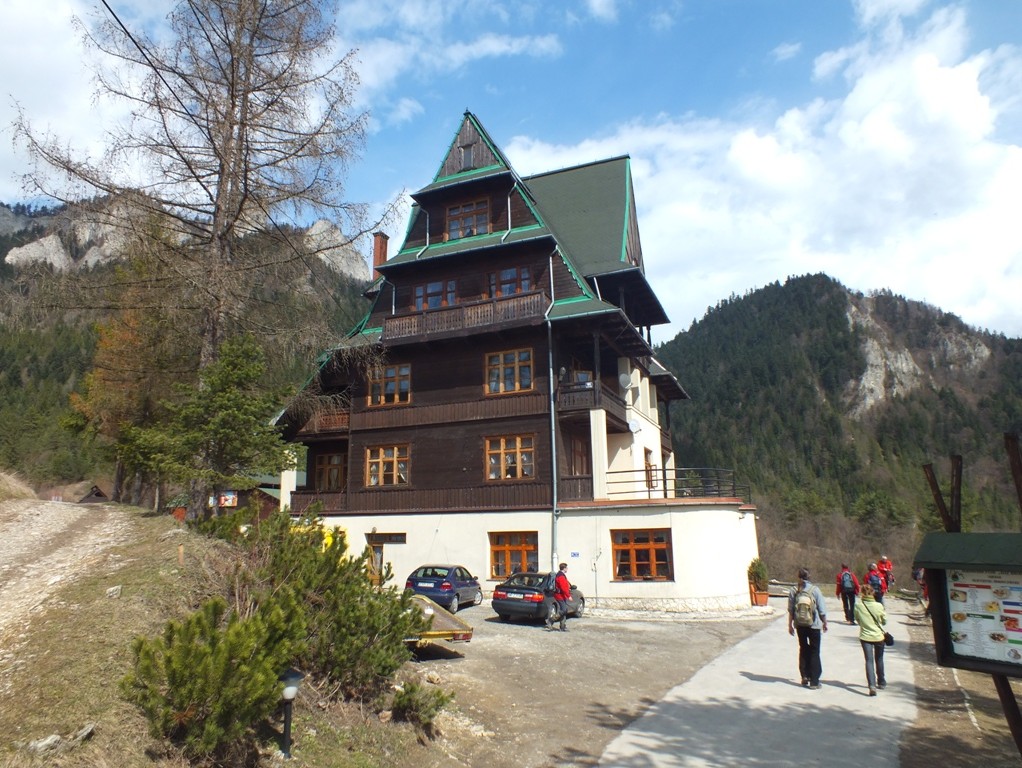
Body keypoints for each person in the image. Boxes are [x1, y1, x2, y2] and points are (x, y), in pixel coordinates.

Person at [787, 567, 829, 689]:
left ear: (798, 576)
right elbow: (821, 609)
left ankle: (805, 676)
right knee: (815, 651)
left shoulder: (794, 590)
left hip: (800, 625)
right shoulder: (815, 590)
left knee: (803, 648)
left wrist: (790, 625)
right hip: (814, 625)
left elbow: (791, 610)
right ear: (809, 576)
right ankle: (814, 681)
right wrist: (824, 622)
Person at [853, 583, 888, 695]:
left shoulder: (858, 605)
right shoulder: (879, 605)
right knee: (879, 659)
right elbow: (884, 621)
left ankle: (872, 685)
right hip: (878, 636)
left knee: (869, 660)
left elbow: (857, 619)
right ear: (873, 593)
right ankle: (881, 681)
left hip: (865, 636)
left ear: (862, 593)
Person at [546, 562, 572, 632]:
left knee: (564, 610)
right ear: (564, 568)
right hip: (560, 595)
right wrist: (568, 596)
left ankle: (562, 626)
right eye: (566, 568)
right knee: (564, 610)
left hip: (562, 595)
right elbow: (563, 587)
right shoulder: (561, 576)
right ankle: (551, 620)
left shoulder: (561, 575)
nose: (567, 569)